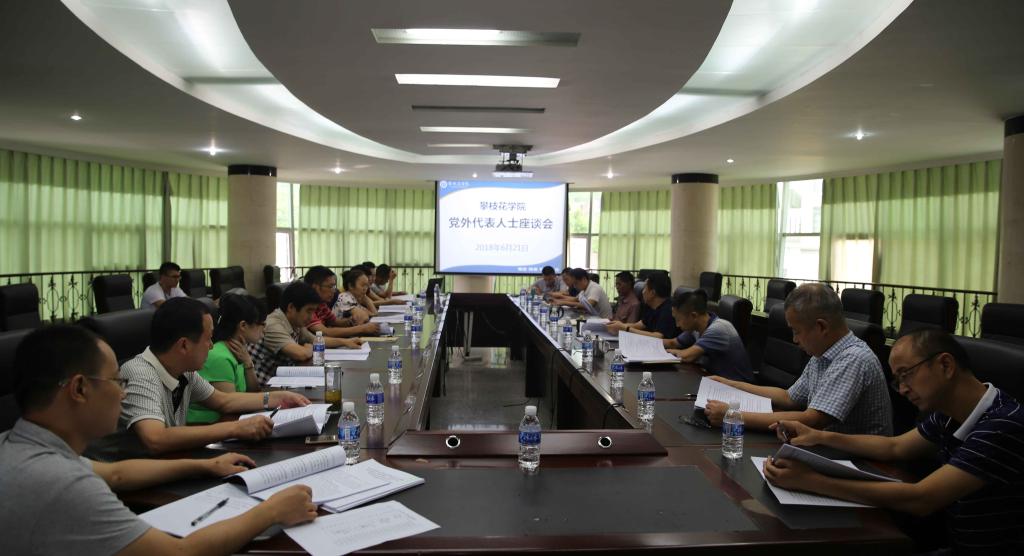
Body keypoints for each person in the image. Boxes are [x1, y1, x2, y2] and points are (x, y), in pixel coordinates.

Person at [0, 325, 318, 555]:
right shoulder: (62, 484)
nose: (123, 393)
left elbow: (116, 473)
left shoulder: (22, 445)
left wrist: (205, 466)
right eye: (116, 381)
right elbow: (179, 552)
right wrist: (271, 512)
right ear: (80, 389)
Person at [765, 329, 1024, 555]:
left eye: (905, 374)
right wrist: (819, 435)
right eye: (897, 380)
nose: (902, 389)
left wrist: (811, 482)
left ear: (945, 365)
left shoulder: (1002, 425)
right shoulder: (949, 413)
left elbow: (921, 499)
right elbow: (895, 447)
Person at [86, 298, 312, 460]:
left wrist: (277, 398)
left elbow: (224, 401)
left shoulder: (184, 371)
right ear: (184, 345)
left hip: (167, 462)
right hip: (127, 484)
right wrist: (234, 428)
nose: (211, 346)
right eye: (208, 339)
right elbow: (155, 438)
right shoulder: (140, 373)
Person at [703, 283, 892, 435]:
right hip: (828, 449)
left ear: (821, 327)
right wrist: (731, 384)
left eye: (796, 331)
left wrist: (733, 415)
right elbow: (788, 398)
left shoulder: (853, 359)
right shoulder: (823, 353)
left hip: (862, 462)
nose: (794, 339)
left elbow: (813, 420)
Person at [251, 281, 363, 387]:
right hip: (265, 386)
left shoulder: (295, 321)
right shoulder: (273, 324)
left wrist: (346, 342)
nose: (311, 317)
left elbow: (317, 341)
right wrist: (308, 348)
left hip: (283, 379)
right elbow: (301, 354)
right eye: (309, 311)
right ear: (291, 307)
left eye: (314, 311)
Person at [186, 294, 266, 424]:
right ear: (243, 325)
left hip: (226, 422)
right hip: (207, 426)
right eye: (261, 324)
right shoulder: (220, 357)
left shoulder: (239, 350)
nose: (264, 329)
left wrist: (248, 363)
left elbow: (253, 390)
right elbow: (231, 407)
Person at [663, 290, 754, 382]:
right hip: (716, 380)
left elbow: (687, 356)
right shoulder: (696, 328)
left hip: (737, 386)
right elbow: (673, 343)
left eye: (678, 320)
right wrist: (654, 345)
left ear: (693, 316)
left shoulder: (718, 328)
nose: (677, 325)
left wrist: (666, 352)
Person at [303, 266, 378, 338]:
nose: (334, 290)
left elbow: (335, 321)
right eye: (330, 286)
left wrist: (350, 321)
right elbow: (325, 332)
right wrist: (362, 328)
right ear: (315, 287)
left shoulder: (321, 304)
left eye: (334, 286)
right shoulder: (306, 307)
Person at [606, 272, 678, 339]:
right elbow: (639, 325)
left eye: (645, 288)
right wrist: (619, 325)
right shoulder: (651, 307)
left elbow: (658, 336)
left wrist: (626, 328)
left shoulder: (668, 310)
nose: (642, 292)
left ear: (652, 293)